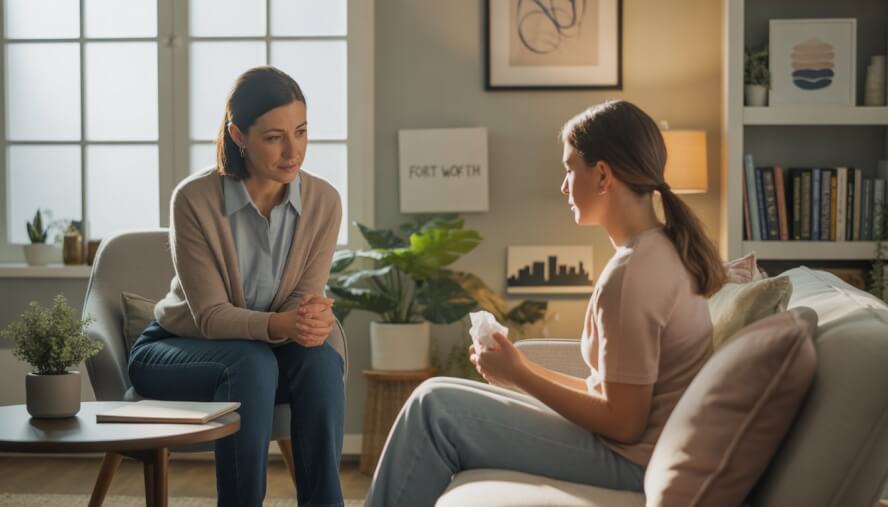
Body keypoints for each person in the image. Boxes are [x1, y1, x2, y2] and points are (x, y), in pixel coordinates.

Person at [364, 100, 726, 506]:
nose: (564, 186)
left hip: (633, 461)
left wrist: (521, 375)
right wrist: (519, 369)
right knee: (434, 392)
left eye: (570, 169)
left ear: (603, 175)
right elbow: (610, 394)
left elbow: (624, 423)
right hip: (640, 449)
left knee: (434, 409)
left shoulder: (632, 276)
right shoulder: (661, 250)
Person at [128, 66, 345, 507]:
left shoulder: (324, 201)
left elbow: (301, 300)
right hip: (175, 351)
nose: (293, 151)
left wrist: (310, 319)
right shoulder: (193, 199)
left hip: (263, 359)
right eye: (274, 137)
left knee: (321, 360)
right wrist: (286, 323)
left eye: (301, 132)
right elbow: (210, 317)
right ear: (238, 135)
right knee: (250, 363)